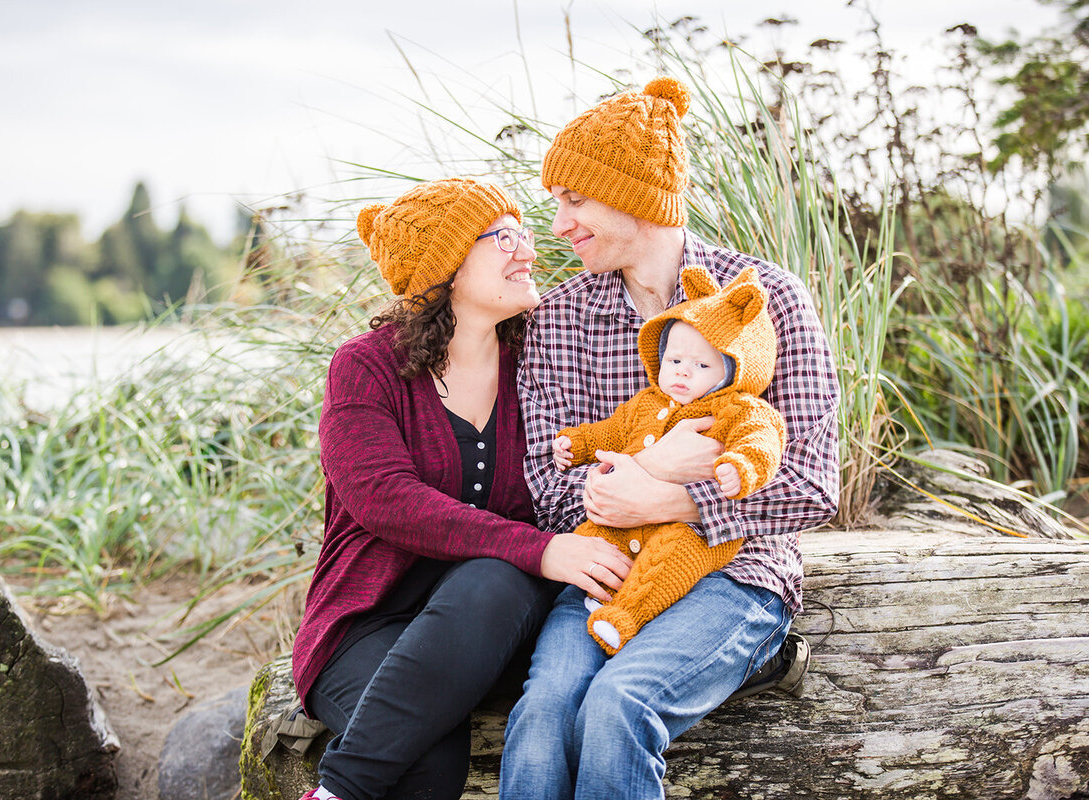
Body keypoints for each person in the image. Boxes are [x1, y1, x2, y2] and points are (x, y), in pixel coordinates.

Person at [499, 77, 840, 800]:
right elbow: (549, 488)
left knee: (619, 706)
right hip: (607, 569)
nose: (558, 224)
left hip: (735, 576)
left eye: (574, 200)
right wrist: (656, 468)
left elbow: (812, 482)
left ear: (635, 196)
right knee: (541, 719)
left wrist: (676, 502)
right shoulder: (558, 320)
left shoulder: (766, 299)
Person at [290, 177, 633, 800]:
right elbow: (383, 499)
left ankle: (335, 791)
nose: (527, 249)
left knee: (497, 576)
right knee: (429, 766)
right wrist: (539, 548)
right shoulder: (367, 366)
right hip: (370, 618)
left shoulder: (538, 362)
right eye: (503, 237)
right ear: (445, 268)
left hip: (492, 625)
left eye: (525, 233)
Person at [552, 264, 786, 655]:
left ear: (732, 373)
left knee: (674, 556)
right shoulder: (647, 403)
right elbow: (609, 432)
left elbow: (761, 440)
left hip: (694, 529)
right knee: (596, 534)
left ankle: (625, 615)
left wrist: (742, 466)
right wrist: (576, 443)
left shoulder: (736, 408)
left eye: (702, 366)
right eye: (675, 361)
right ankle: (597, 591)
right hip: (628, 520)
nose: (682, 373)